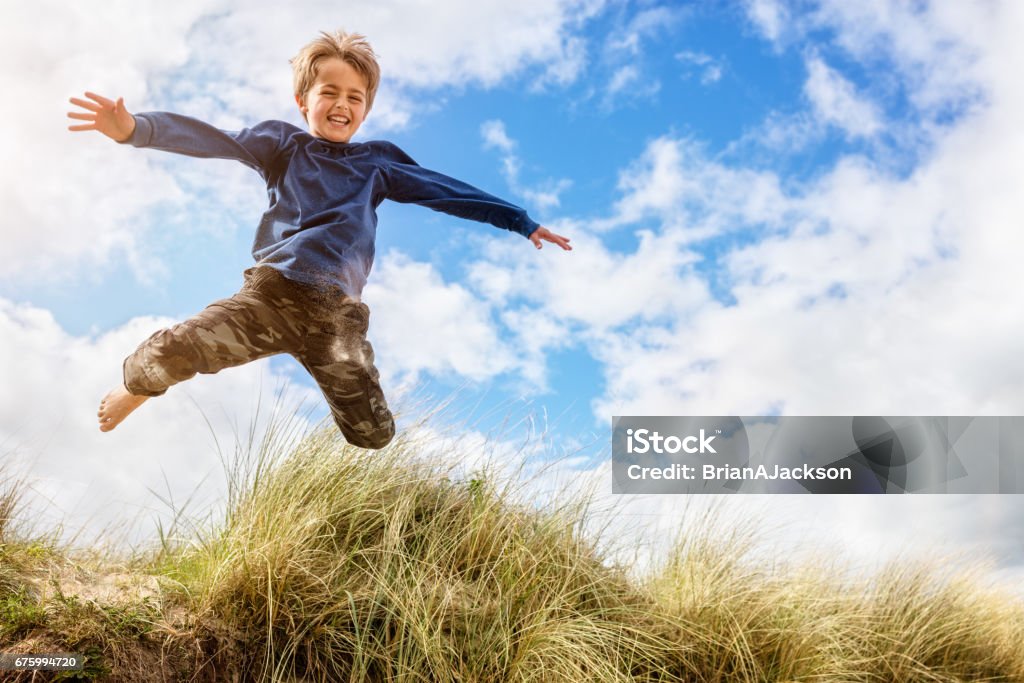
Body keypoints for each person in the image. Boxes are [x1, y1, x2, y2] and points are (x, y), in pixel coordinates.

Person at [68, 30, 571, 448]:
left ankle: (334, 459)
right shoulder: (283, 146)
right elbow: (219, 140)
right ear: (303, 100)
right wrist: (136, 128)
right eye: (329, 92)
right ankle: (137, 387)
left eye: (355, 97)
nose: (341, 104)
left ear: (366, 109)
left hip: (337, 317)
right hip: (270, 297)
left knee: (373, 436)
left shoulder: (378, 161)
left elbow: (444, 190)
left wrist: (519, 220)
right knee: (172, 349)